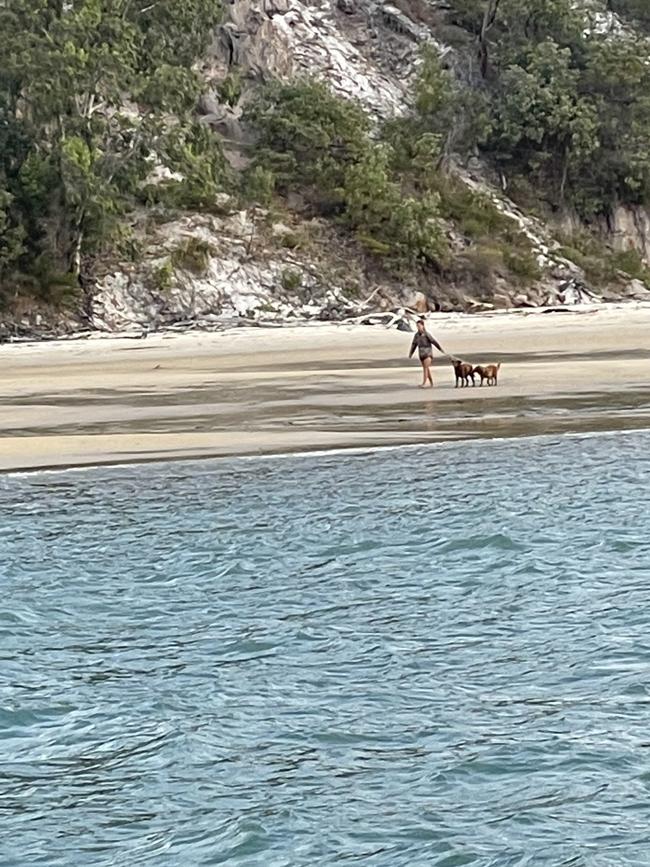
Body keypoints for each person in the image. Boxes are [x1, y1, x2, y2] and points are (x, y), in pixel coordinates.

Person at [408, 319, 446, 388]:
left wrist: (440, 349)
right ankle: (431, 383)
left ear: (423, 326)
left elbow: (434, 342)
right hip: (421, 354)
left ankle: (424, 383)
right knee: (426, 368)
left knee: (425, 368)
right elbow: (414, 345)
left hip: (428, 353)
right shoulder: (416, 335)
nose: (418, 327)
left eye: (419, 326)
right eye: (417, 326)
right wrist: (411, 353)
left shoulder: (427, 334)